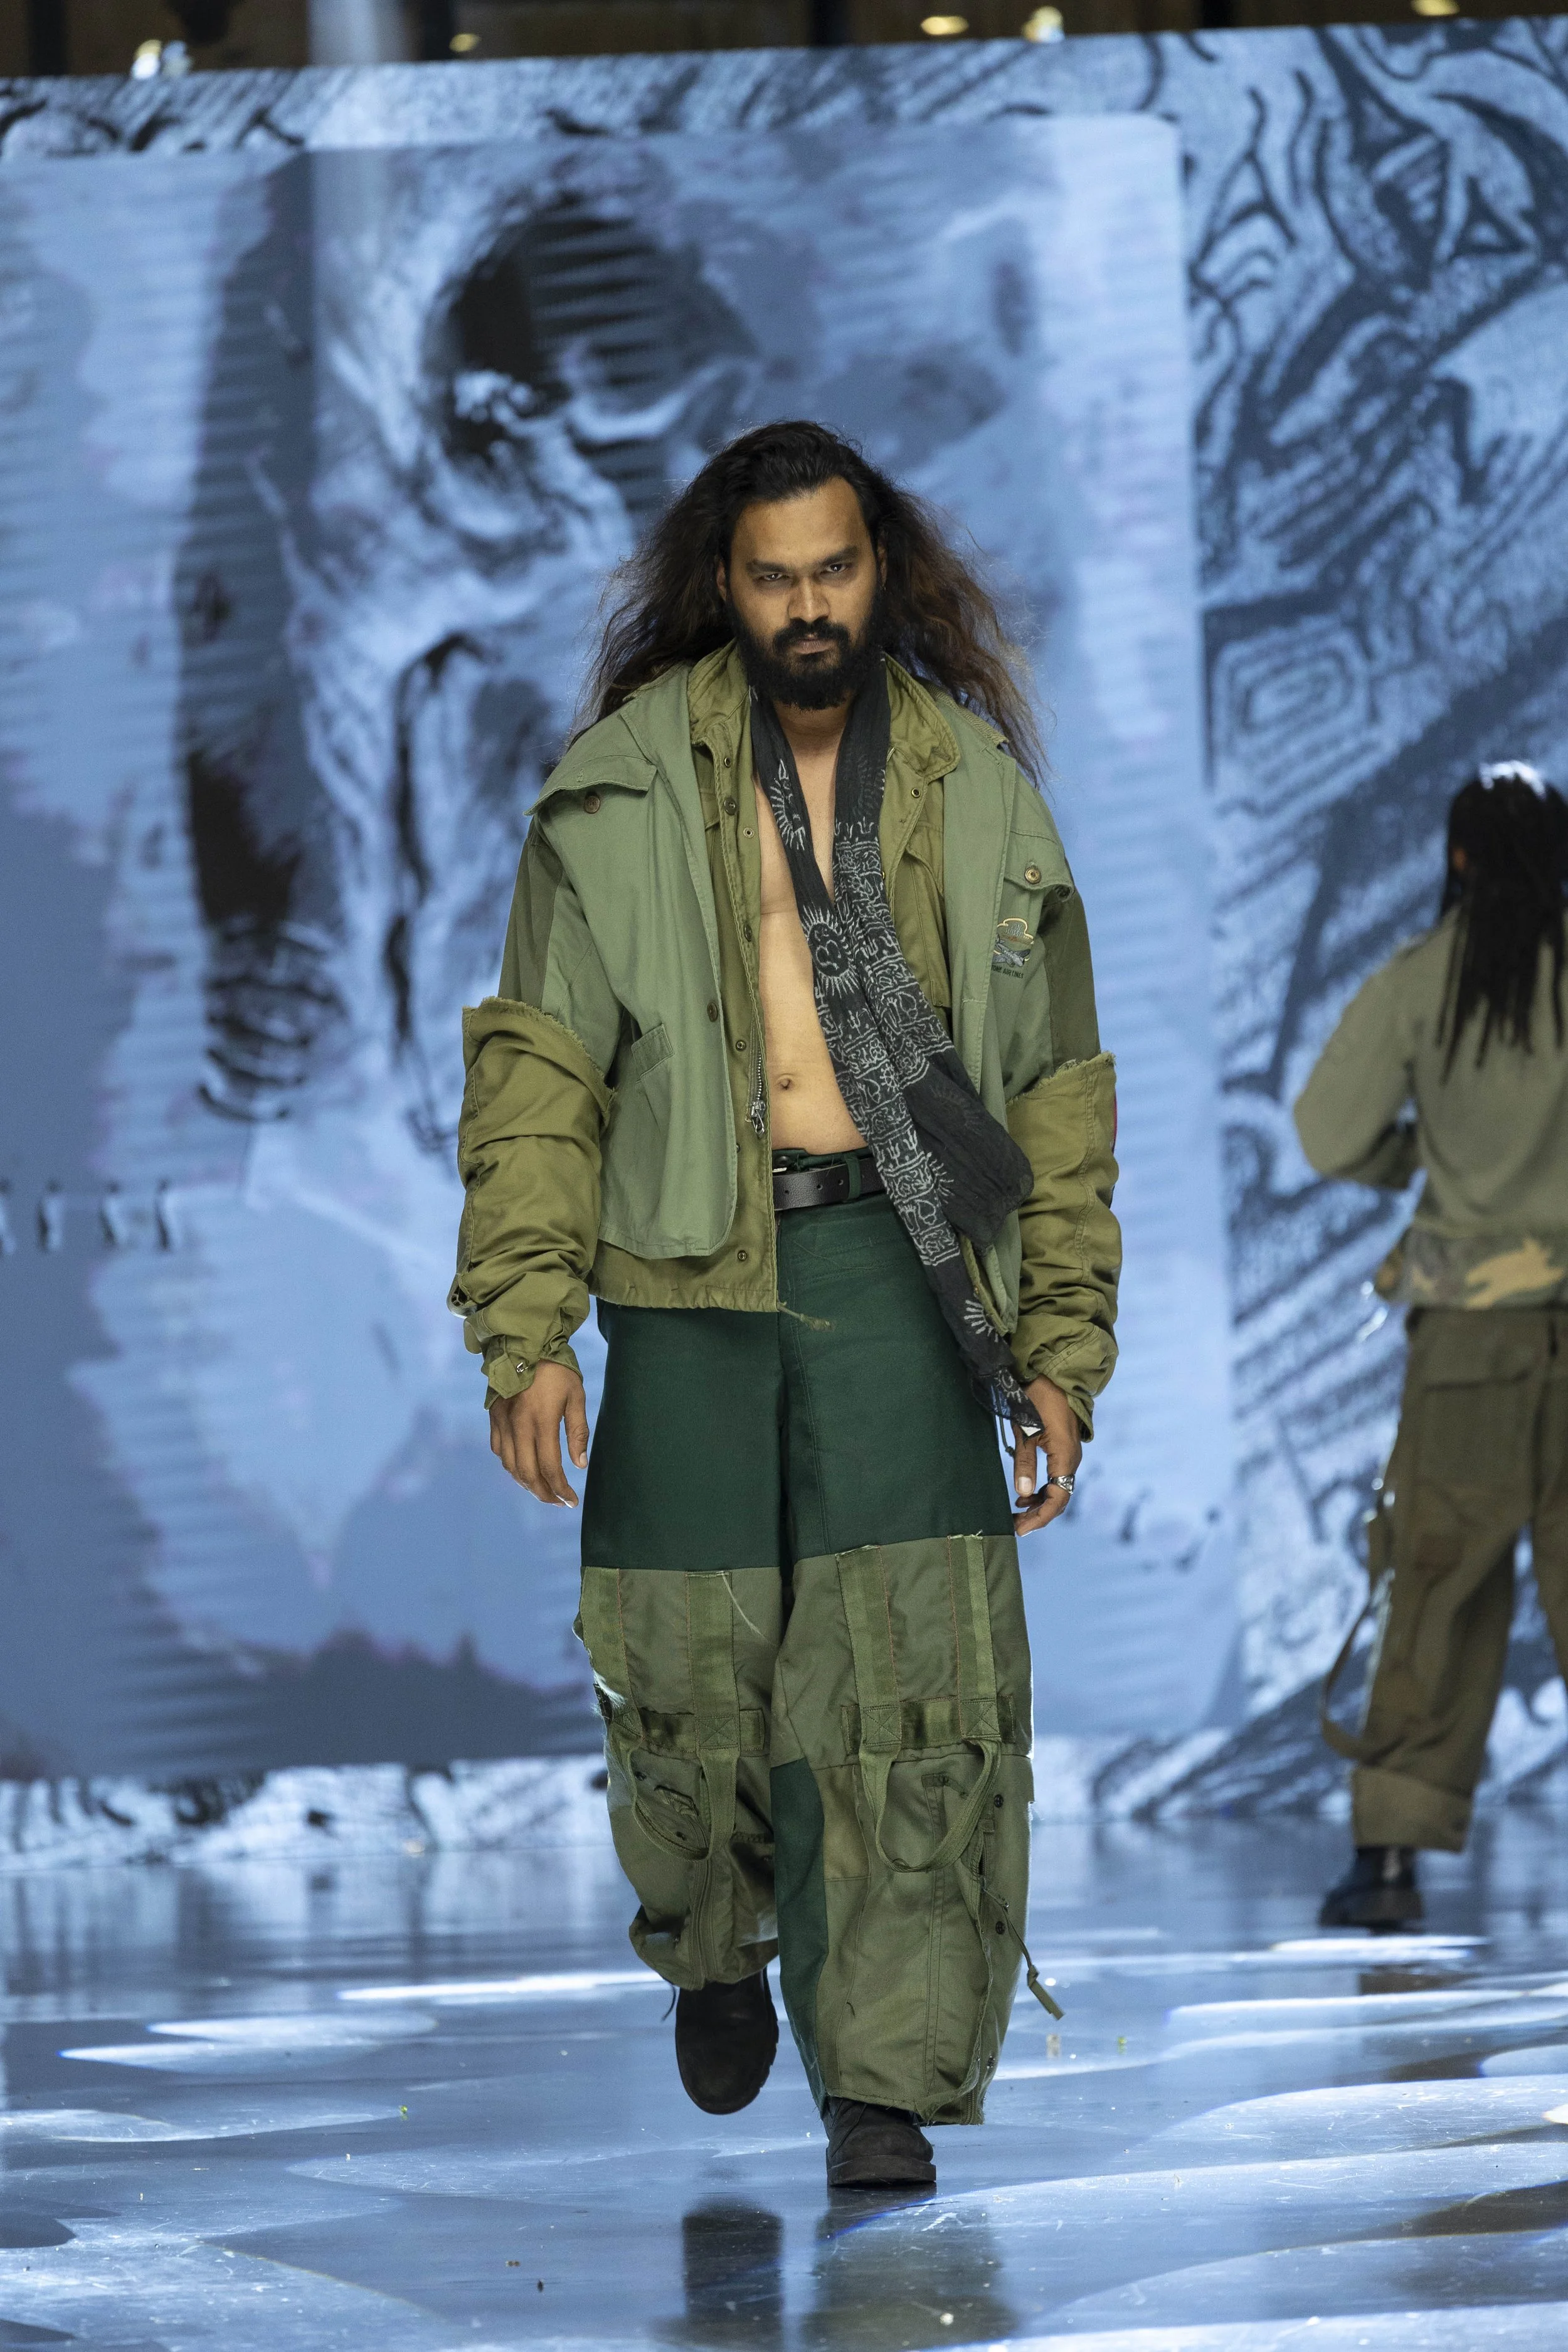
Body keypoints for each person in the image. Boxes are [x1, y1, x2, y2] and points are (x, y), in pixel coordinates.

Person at [449, 421, 1120, 2185]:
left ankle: (880, 2076)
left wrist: (1058, 1346)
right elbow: (538, 1078)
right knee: (690, 1677)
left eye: (834, 570)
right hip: (685, 1280)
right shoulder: (617, 793)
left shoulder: (974, 788)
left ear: (876, 568)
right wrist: (523, 1331)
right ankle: (714, 1931)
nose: (808, 605)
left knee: (909, 1685)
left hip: (903, 1271)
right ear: (720, 584)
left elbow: (1053, 1086)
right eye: (773, 576)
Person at [1296, 764, 1568, 1931]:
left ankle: (1394, 1861)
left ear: (1456, 860)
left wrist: (1421, 1165)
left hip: (1467, 1340)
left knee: (1439, 1591)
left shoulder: (1422, 984)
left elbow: (1324, 1131)